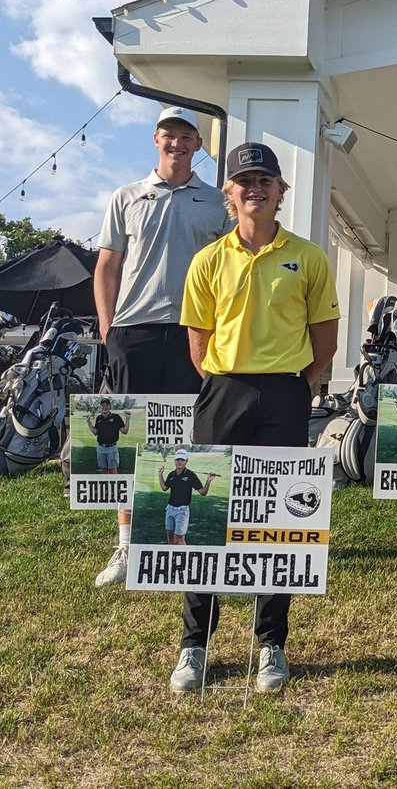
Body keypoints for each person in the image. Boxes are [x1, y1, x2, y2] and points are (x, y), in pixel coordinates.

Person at [170, 141, 339, 693]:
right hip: (224, 391)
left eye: (266, 180)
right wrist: (225, 385)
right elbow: (198, 341)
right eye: (245, 181)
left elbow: (325, 339)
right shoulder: (208, 260)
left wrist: (300, 387)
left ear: (281, 192)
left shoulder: (309, 257)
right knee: (206, 517)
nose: (256, 189)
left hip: (286, 394)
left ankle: (271, 643)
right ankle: (195, 644)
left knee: (279, 521)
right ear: (229, 194)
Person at [92, 107, 230, 588]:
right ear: (156, 139)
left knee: (187, 441)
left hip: (194, 333)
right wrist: (109, 332)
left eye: (187, 137)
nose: (177, 143)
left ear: (198, 145)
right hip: (134, 332)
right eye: (169, 135)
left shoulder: (217, 203)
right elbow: (108, 267)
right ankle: (128, 542)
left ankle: (181, 542)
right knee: (131, 440)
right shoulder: (126, 196)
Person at [157, 449, 217, 545]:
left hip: (182, 510)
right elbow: (164, 487)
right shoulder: (171, 475)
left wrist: (208, 481)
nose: (179, 462)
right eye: (177, 459)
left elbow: (202, 492)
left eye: (182, 460)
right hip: (170, 509)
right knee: (170, 535)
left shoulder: (191, 475)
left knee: (180, 538)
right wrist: (160, 474)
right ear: (174, 460)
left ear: (186, 461)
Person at [87, 398, 129, 474]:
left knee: (113, 471)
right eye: (103, 405)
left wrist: (127, 418)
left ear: (110, 407)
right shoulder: (99, 418)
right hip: (101, 448)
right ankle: (106, 485)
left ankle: (115, 485)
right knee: (104, 471)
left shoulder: (116, 417)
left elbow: (125, 431)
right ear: (100, 407)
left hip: (112, 448)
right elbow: (95, 432)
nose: (105, 407)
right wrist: (88, 422)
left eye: (107, 405)